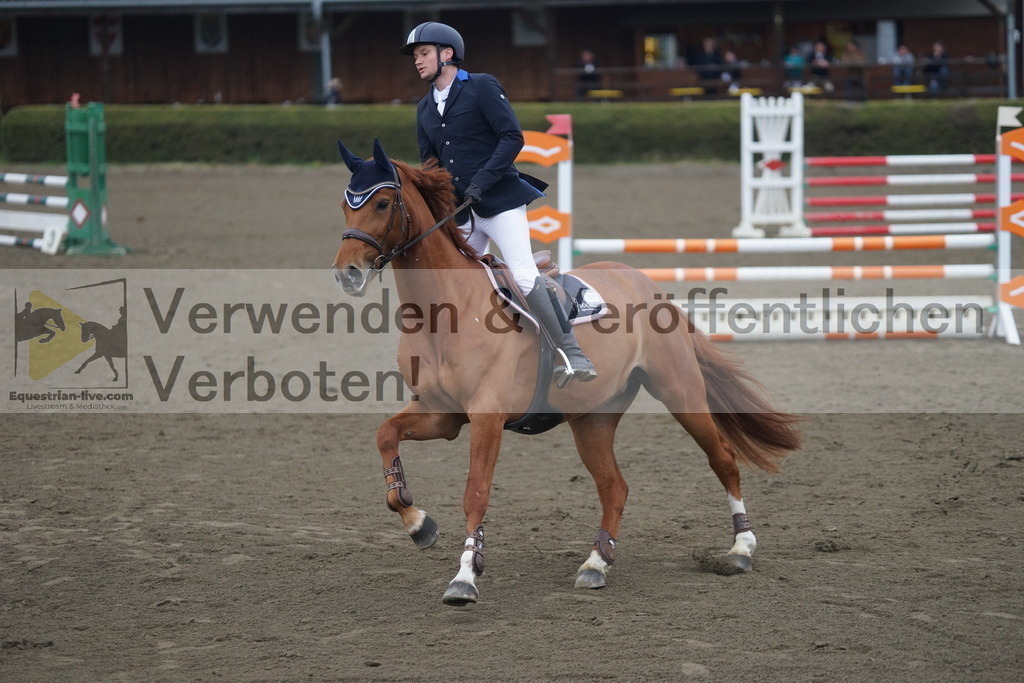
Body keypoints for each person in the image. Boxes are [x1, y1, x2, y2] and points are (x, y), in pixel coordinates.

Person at [399, 21, 596, 384]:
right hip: (461, 212)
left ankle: (571, 353)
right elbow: (430, 167)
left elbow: (511, 137)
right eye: (415, 56)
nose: (418, 61)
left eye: (423, 53)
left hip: (500, 203)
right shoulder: (425, 109)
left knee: (521, 273)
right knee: (448, 281)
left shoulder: (482, 86)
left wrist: (481, 182)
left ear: (447, 54)